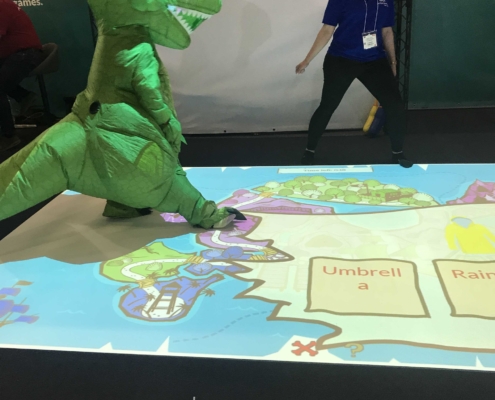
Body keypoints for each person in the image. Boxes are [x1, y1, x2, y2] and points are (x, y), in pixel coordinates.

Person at [296, 0, 413, 168]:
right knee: (328, 106)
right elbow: (327, 30)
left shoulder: (386, 1)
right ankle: (309, 151)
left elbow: (387, 31)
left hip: (374, 60)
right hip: (341, 59)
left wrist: (393, 62)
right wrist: (307, 60)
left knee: (395, 105)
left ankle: (398, 154)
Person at [0, 0, 43, 152]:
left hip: (25, 54)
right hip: (15, 55)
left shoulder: (2, 5)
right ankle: (24, 97)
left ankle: (9, 137)